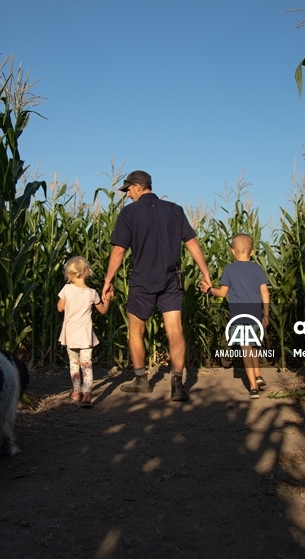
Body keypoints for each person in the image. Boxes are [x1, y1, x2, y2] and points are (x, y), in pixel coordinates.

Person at [102, 170, 212, 401]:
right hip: (171, 280)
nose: (127, 195)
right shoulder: (174, 210)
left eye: (128, 190)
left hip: (142, 280)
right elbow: (192, 243)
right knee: (175, 329)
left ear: (138, 186)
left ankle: (141, 380)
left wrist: (108, 280)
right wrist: (205, 273)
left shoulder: (130, 212)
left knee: (136, 330)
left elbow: (119, 250)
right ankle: (177, 384)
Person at [208, 234, 270, 399]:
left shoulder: (229, 269)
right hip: (255, 316)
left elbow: (222, 293)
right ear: (252, 252)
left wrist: (209, 290)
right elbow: (265, 292)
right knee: (252, 346)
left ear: (232, 251)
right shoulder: (257, 269)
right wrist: (266, 314)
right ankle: (258, 375)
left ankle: (253, 387)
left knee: (246, 349)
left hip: (239, 317)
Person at [58, 256, 111, 408]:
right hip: (85, 335)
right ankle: (87, 393)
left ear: (71, 275)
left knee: (74, 364)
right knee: (86, 365)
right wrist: (107, 299)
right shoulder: (92, 293)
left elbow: (60, 308)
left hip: (70, 334)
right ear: (86, 273)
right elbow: (103, 310)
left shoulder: (66, 289)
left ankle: (76, 392)